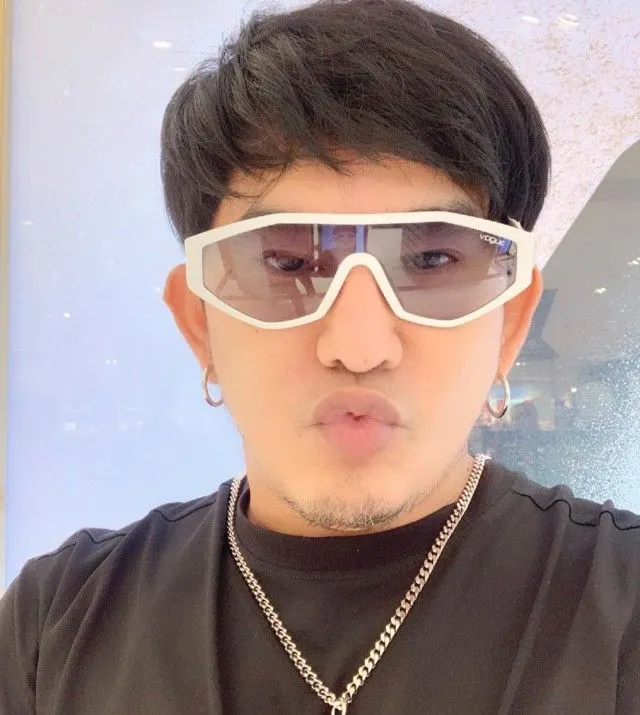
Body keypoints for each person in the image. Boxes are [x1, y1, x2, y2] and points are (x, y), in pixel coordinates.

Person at [2, 0, 639, 712]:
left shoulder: (621, 610)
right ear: (199, 323)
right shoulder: (55, 627)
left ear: (511, 321)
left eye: (432, 260)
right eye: (286, 263)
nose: (358, 347)